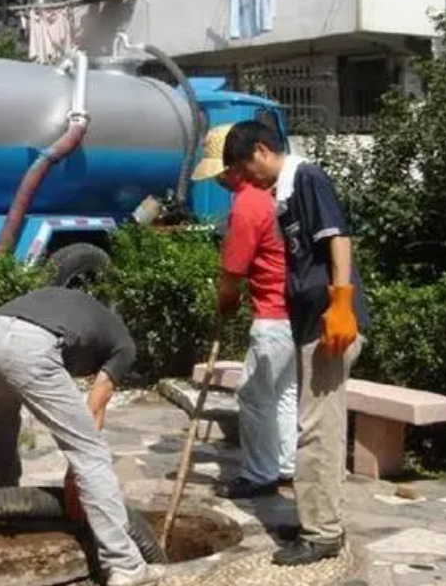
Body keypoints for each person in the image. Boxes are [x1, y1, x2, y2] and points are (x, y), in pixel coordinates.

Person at [223, 121, 370, 566]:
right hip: (309, 325)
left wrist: (341, 302)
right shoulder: (283, 193)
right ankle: (317, 518)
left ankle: (322, 533)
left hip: (331, 326)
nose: (248, 179)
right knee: (312, 425)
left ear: (264, 150)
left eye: (247, 167)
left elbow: (337, 238)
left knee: (317, 430)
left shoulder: (306, 177)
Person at [0, 287, 164, 586]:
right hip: (29, 346)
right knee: (91, 451)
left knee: (3, 417)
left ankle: (0, 506)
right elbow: (95, 407)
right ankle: (123, 563)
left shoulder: (76, 307)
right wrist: (75, 477)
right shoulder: (124, 344)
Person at [192, 124, 297, 500]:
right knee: (282, 394)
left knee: (254, 396)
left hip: (272, 315)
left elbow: (232, 272)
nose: (218, 181)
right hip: (293, 314)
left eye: (221, 173)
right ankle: (285, 465)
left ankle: (260, 474)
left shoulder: (248, 204)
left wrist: (226, 302)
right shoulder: (269, 195)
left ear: (236, 166)